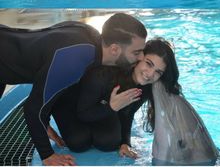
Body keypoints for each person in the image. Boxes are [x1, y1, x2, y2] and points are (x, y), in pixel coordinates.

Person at [0, 13, 147, 166]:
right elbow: (33, 109)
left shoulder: (87, 35)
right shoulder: (73, 62)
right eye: (137, 52)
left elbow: (44, 57)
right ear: (115, 49)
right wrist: (47, 155)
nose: (142, 57)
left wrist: (43, 121)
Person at [48, 38, 218, 166]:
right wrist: (112, 106)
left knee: (109, 143)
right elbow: (83, 112)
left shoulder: (145, 87)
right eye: (148, 64)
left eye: (158, 72)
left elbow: (127, 113)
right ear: (140, 58)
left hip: (101, 109)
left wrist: (124, 143)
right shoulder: (105, 74)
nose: (150, 74)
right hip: (74, 106)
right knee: (78, 143)